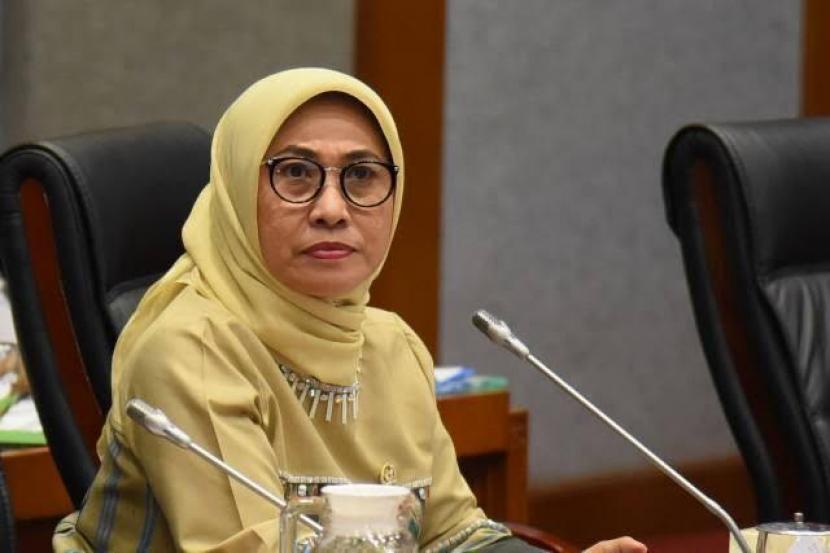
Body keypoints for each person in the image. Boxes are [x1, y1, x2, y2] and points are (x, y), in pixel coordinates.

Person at [52, 68, 646, 552]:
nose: (332, 208)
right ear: (234, 189)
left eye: (361, 175)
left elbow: (454, 535)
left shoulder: (390, 345)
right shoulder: (190, 349)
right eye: (295, 173)